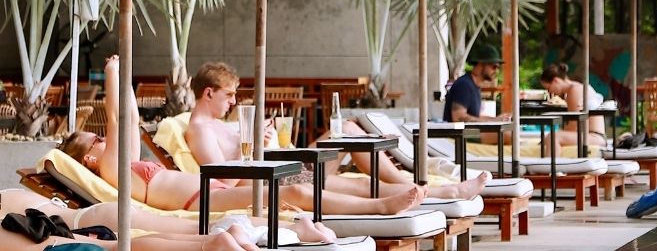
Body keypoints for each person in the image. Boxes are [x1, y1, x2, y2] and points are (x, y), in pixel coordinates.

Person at [58, 56, 421, 218]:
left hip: (210, 192)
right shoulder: (110, 172)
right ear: (89, 156)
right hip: (198, 203)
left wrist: (122, 75)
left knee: (295, 187)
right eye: (96, 139)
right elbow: (119, 117)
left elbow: (131, 117)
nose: (103, 140)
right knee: (290, 191)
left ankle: (400, 194)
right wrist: (111, 73)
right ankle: (381, 206)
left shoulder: (128, 166)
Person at [185, 61, 487, 200]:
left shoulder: (219, 124)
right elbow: (224, 177)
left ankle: (415, 183)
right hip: (271, 179)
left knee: (348, 128)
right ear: (208, 93)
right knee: (355, 185)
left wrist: (263, 140)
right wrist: (248, 144)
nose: (234, 102)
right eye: (228, 95)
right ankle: (437, 191)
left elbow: (246, 158)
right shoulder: (199, 129)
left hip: (282, 165)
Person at [0, 188, 335, 250]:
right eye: (94, 140)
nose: (100, 140)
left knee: (121, 248)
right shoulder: (10, 197)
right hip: (64, 228)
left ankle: (214, 242)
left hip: (62, 228)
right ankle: (215, 240)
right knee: (120, 247)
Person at [539, 63, 607, 149]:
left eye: (548, 88)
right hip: (593, 135)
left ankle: (552, 162)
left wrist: (556, 135)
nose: (550, 92)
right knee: (552, 136)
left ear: (556, 80)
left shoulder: (574, 91)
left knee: (553, 137)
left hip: (594, 137)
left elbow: (574, 125)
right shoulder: (577, 87)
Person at [443, 45, 509, 123]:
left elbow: (475, 117)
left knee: (510, 132)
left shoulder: (473, 86)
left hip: (471, 133)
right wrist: (494, 121)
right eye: (494, 67)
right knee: (508, 134)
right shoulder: (464, 85)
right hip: (460, 134)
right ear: (481, 65)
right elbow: (458, 117)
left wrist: (496, 120)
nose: (496, 71)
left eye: (498, 68)